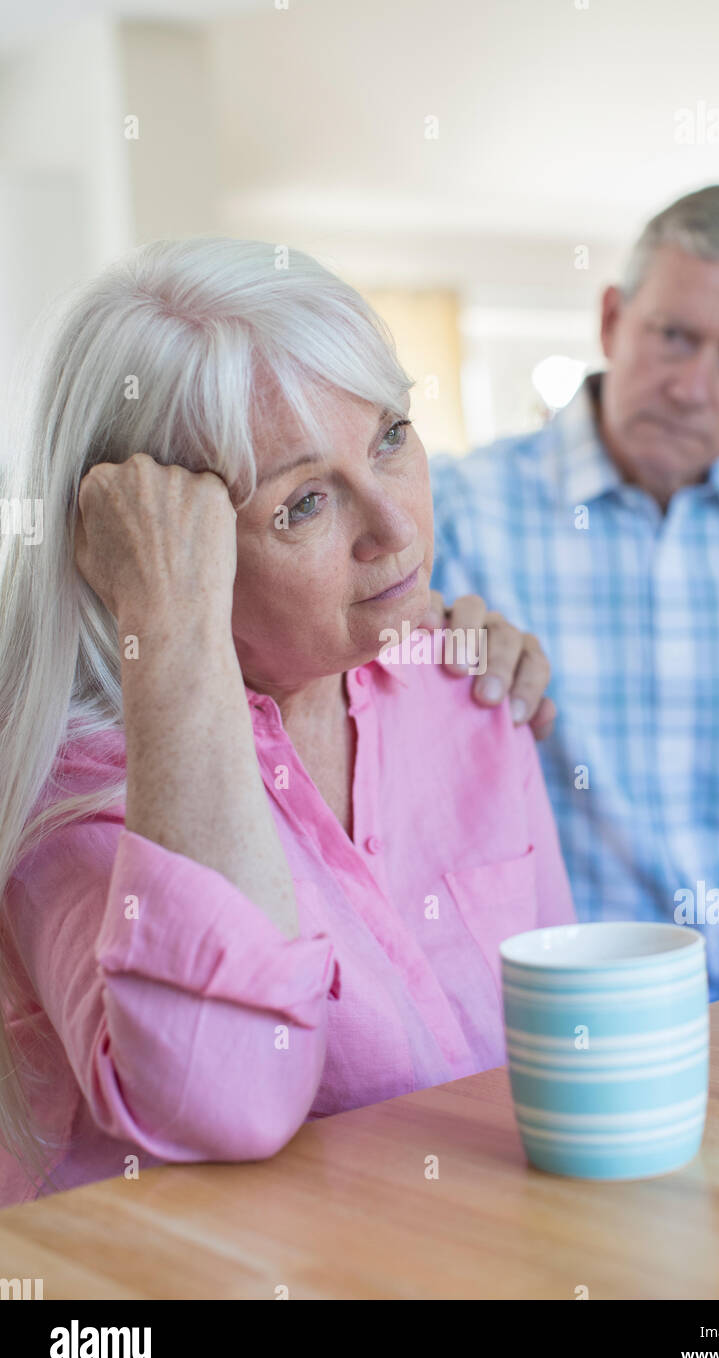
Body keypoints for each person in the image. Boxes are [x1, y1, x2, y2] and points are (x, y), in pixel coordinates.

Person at [0, 236, 574, 1207]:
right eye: (303, 503)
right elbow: (223, 1099)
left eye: (390, 436)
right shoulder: (76, 792)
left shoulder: (463, 687)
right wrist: (172, 631)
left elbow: (559, 1029)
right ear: (156, 549)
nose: (393, 529)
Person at [430, 184, 719, 1002]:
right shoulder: (450, 515)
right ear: (611, 321)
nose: (694, 387)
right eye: (673, 335)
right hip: (545, 1012)